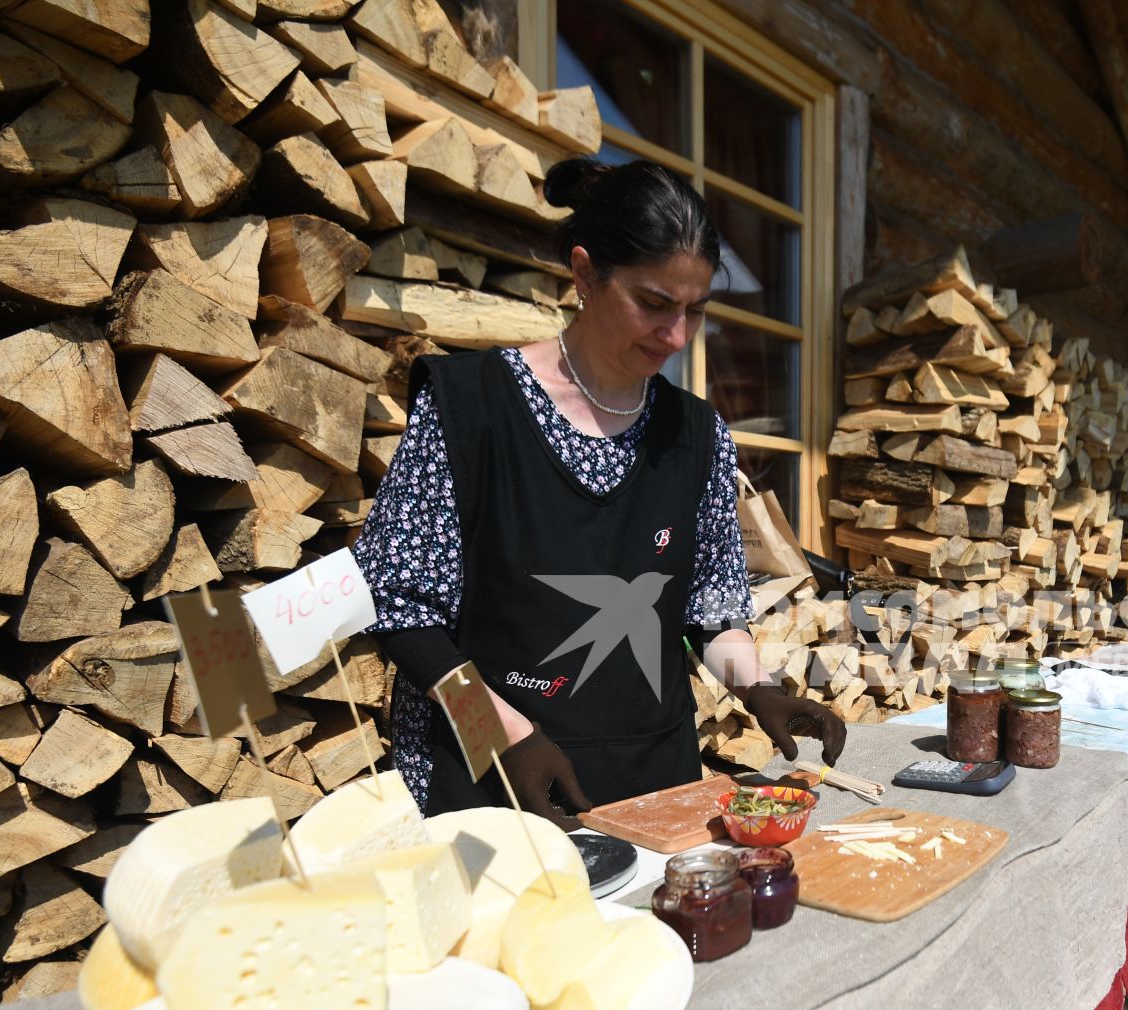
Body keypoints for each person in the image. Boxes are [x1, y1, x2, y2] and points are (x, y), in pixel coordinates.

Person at [355, 157, 844, 825]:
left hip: (654, 781)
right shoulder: (471, 408)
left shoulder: (696, 434)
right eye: (654, 304)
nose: (676, 336)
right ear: (585, 274)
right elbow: (403, 614)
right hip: (493, 781)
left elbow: (710, 612)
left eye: (696, 311)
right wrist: (506, 737)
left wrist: (757, 689)